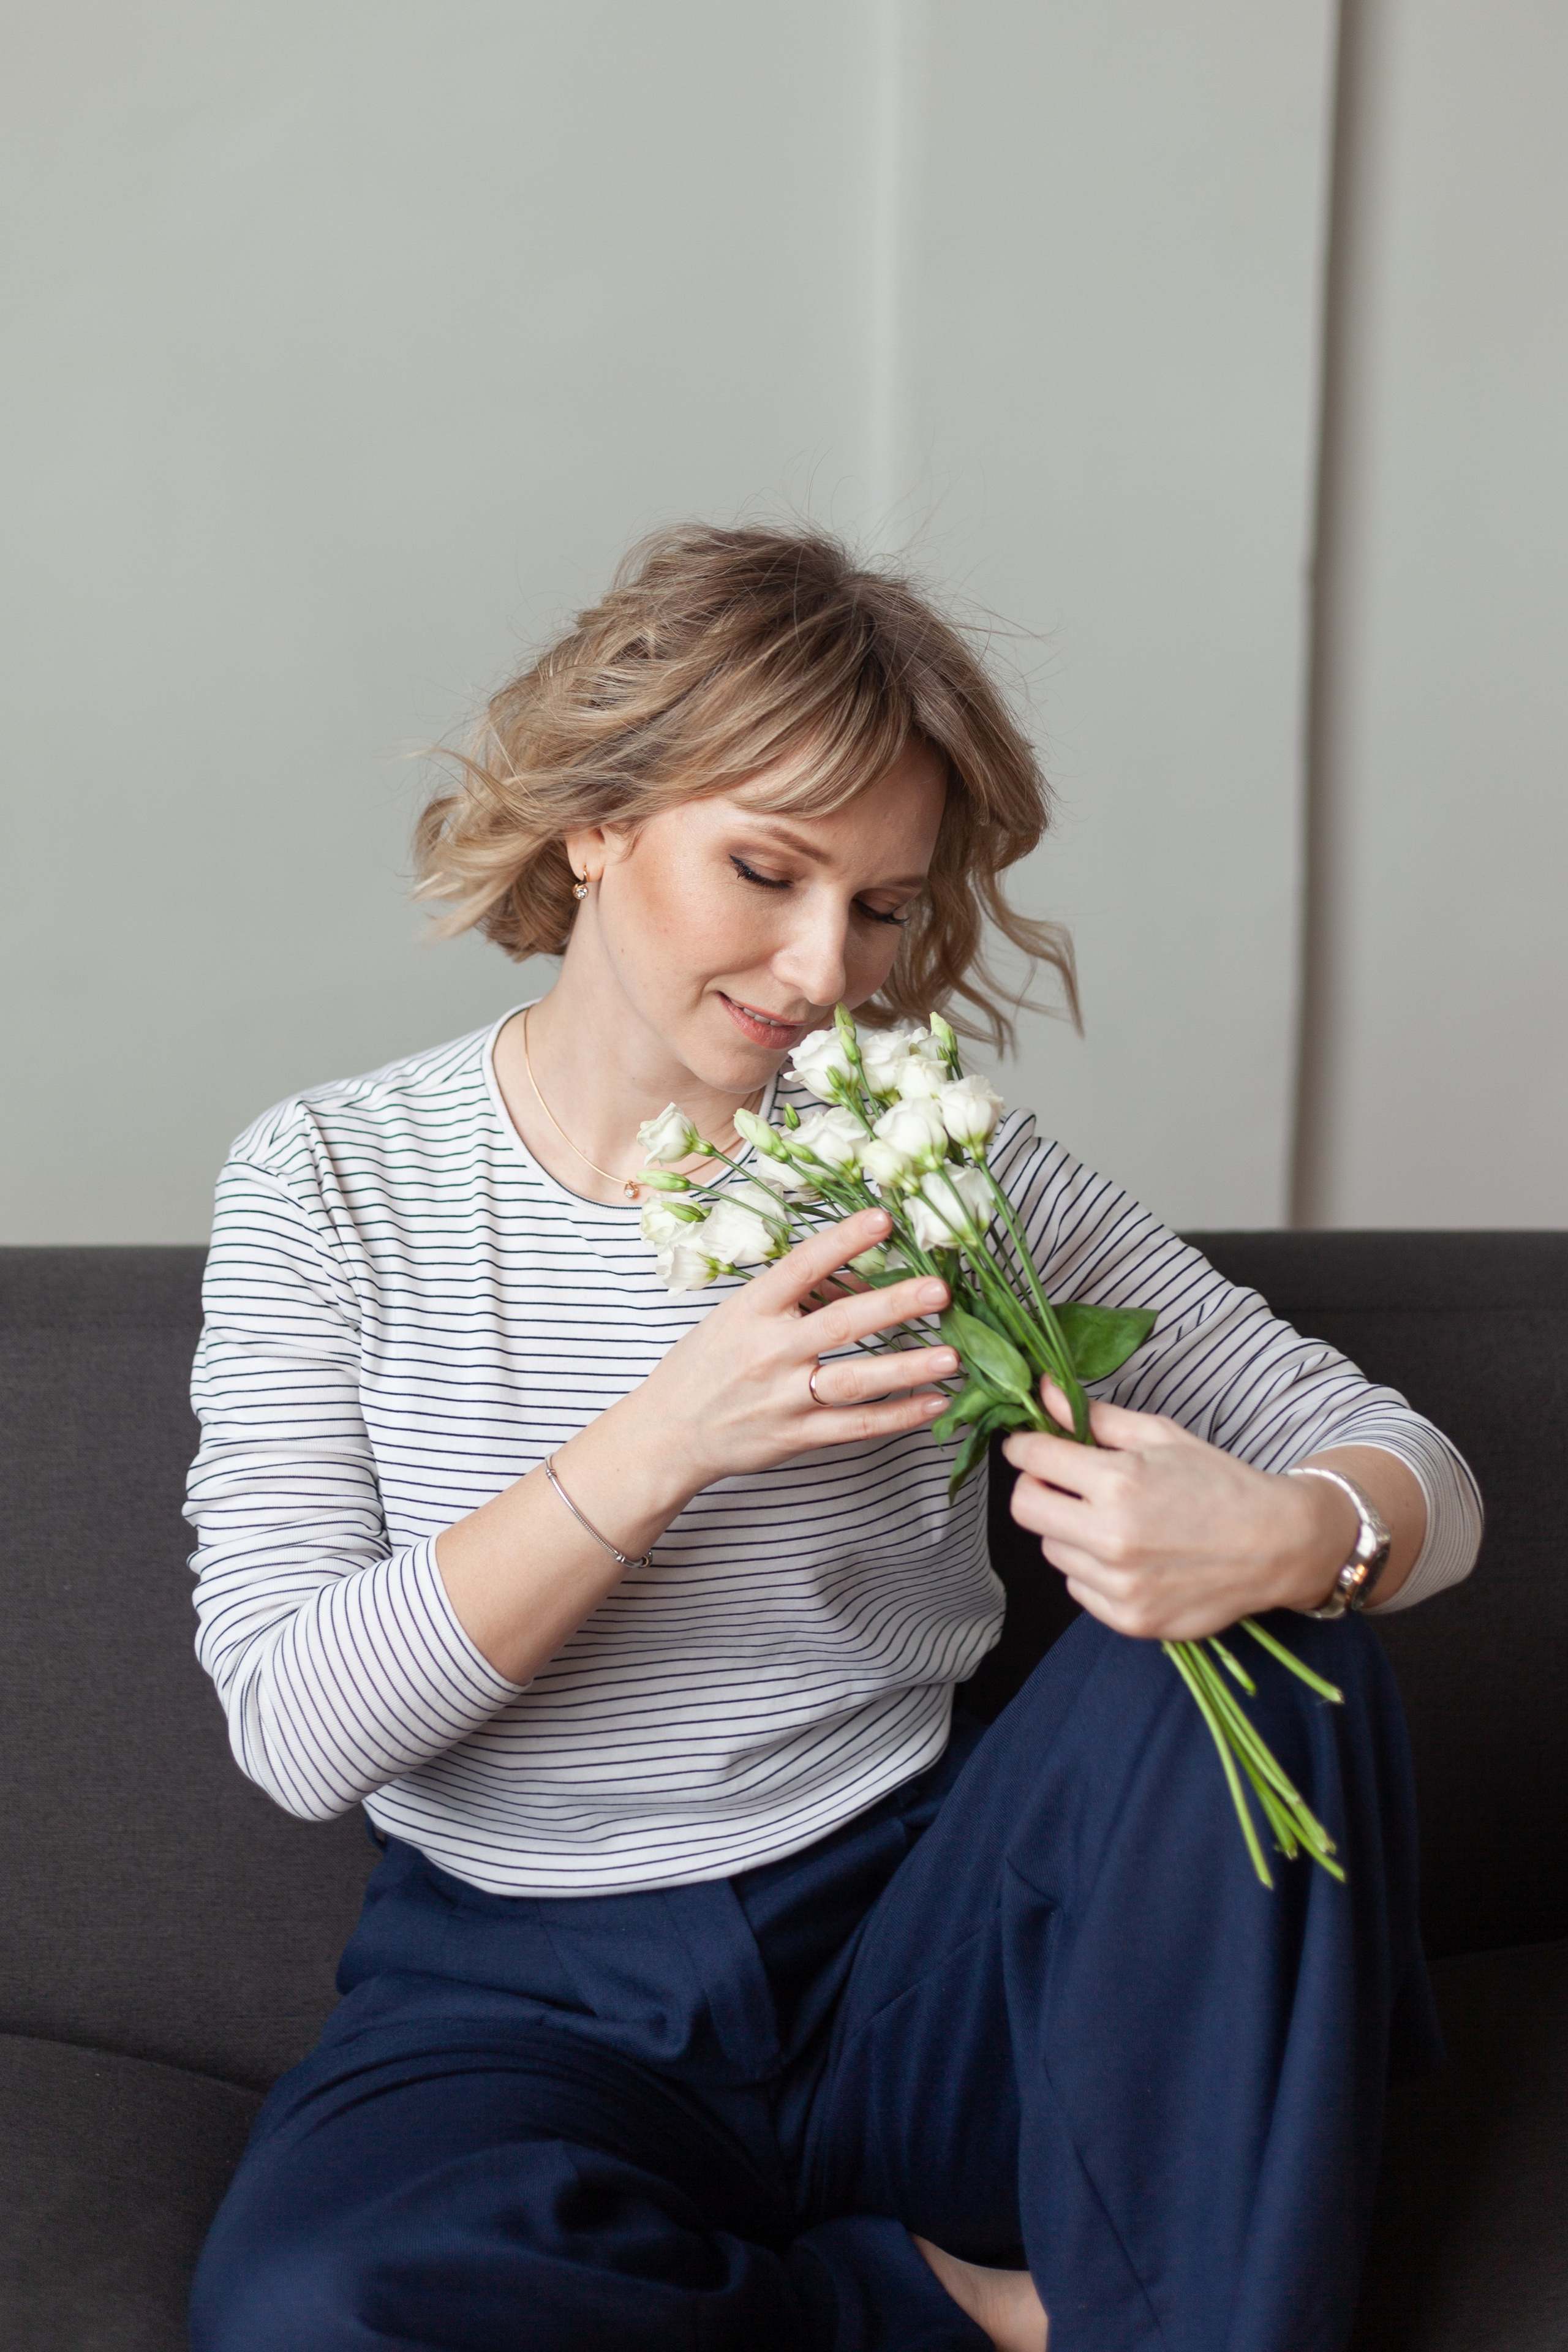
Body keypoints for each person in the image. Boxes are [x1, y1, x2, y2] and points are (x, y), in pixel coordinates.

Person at [185, 524, 1480, 2352]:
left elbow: (1409, 1465)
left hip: (916, 1952)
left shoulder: (932, 1161)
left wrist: (1297, 1538)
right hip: (522, 2004)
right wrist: (661, 1443)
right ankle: (984, 2312)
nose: (821, 968)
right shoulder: (332, 1180)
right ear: (595, 823)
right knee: (316, 2308)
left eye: (880, 907)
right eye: (766, 870)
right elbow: (298, 1727)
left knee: (1276, 1662)